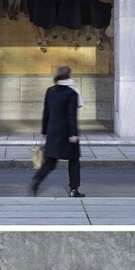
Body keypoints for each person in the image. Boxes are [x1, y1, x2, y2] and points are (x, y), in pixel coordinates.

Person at [28, 65, 85, 198]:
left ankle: (36, 181)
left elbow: (46, 112)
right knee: (74, 161)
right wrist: (74, 134)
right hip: (67, 133)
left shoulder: (51, 91)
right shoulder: (72, 93)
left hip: (53, 132)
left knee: (50, 162)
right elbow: (72, 116)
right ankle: (73, 189)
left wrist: (44, 131)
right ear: (69, 76)